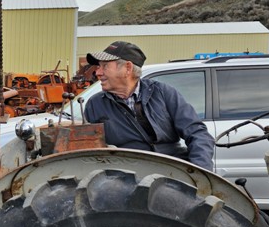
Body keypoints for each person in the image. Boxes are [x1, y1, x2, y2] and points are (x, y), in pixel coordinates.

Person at [83, 40, 215, 170]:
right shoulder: (95, 104)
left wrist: (200, 172)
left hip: (172, 169)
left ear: (128, 68)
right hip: (126, 175)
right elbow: (89, 151)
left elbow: (198, 134)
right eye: (99, 67)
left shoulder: (163, 93)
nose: (98, 73)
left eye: (104, 66)